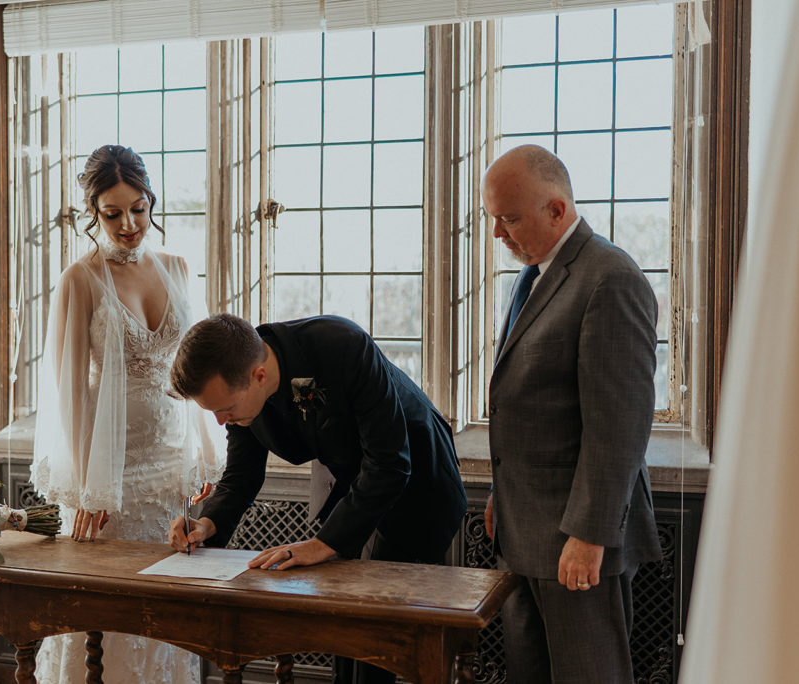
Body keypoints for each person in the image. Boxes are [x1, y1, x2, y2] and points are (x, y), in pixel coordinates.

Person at [166, 312, 468, 684]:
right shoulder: (240, 374)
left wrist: (324, 543)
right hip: (358, 490)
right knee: (344, 633)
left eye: (224, 410)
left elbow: (390, 464)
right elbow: (242, 474)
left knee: (378, 640)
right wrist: (207, 523)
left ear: (259, 376)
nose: (220, 421)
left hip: (421, 488)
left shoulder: (342, 344)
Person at [31, 144, 223, 684]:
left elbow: (199, 367)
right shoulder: (79, 279)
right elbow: (70, 393)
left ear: (150, 200)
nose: (129, 224)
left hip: (171, 478)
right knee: (105, 630)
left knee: (163, 626)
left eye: (138, 208)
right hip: (110, 482)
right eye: (113, 213)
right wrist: (90, 489)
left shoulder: (179, 268)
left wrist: (205, 460)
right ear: (92, 212)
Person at [483, 144, 662, 683]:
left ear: (556, 210)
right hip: (525, 530)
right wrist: (502, 490)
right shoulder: (535, 273)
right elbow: (539, 406)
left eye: (509, 219)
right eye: (493, 219)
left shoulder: (610, 278)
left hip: (576, 542)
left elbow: (619, 426)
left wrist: (589, 537)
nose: (498, 234)